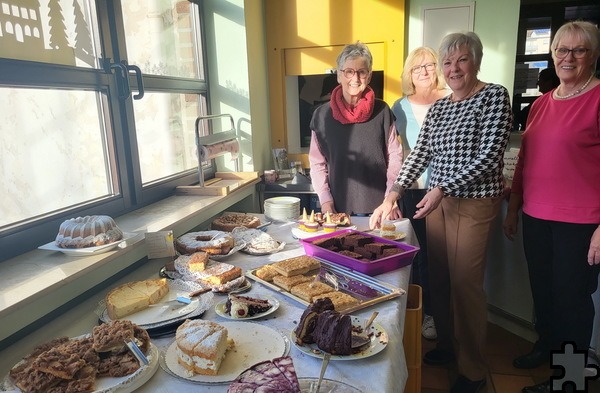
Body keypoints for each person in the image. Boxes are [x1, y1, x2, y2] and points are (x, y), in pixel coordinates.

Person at [370, 32, 513, 393]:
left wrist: (441, 188)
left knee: (465, 283)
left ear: (475, 62)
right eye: (448, 62)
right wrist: (393, 193)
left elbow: (489, 156)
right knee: (440, 278)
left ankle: (474, 370)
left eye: (461, 60)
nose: (453, 69)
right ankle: (449, 348)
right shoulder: (440, 108)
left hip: (475, 201)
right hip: (438, 202)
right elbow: (420, 154)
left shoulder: (493, 96)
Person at [503, 20, 600, 393]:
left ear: (592, 56)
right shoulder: (541, 104)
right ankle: (546, 347)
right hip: (536, 217)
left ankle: (570, 379)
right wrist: (514, 209)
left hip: (581, 224)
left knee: (572, 303)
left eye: (578, 50)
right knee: (543, 293)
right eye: (561, 49)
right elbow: (525, 161)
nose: (568, 57)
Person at [391, 46, 448, 341]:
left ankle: (447, 316)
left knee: (447, 257)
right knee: (421, 255)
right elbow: (396, 153)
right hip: (413, 191)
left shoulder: (451, 100)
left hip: (448, 190)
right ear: (409, 75)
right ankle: (428, 314)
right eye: (417, 67)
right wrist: (393, 195)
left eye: (429, 65)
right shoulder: (398, 107)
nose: (424, 71)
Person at [309, 41, 402, 216]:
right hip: (337, 210)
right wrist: (326, 201)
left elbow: (395, 158)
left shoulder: (383, 112)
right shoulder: (321, 116)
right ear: (339, 75)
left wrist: (390, 199)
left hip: (379, 210)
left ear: (369, 75)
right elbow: (317, 163)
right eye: (349, 71)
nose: (355, 78)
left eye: (362, 72)